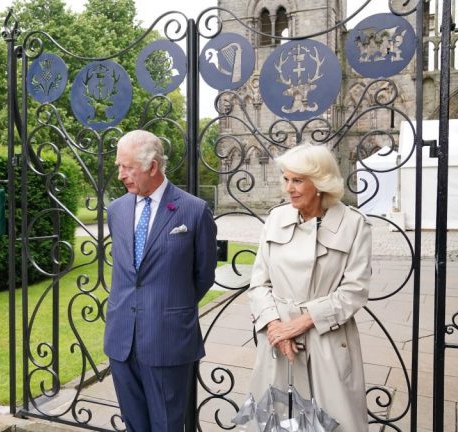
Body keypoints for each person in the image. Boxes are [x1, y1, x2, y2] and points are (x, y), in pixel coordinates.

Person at [247, 143, 371, 431]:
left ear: (320, 182)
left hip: (326, 342)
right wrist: (277, 325)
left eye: (297, 180)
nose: (288, 188)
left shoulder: (354, 225)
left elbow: (355, 291)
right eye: (286, 179)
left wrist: (300, 323)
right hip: (277, 342)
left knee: (331, 423)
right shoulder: (276, 218)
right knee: (275, 421)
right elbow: (258, 282)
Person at [104, 130, 217, 431]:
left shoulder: (193, 210)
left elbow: (204, 275)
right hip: (121, 339)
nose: (120, 175)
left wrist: (167, 307)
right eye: (119, 166)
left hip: (168, 340)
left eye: (126, 167)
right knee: (134, 425)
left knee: (167, 426)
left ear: (152, 166)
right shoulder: (116, 210)